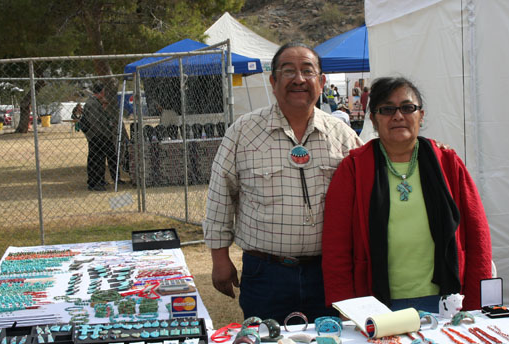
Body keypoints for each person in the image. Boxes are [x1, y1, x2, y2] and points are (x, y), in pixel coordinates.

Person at [203, 43, 363, 323]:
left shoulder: (343, 136)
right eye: (288, 71)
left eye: (307, 71)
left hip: (329, 272)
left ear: (322, 82)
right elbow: (220, 195)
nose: (299, 79)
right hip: (265, 274)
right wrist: (219, 259)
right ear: (273, 82)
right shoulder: (243, 131)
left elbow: (365, 199)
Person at [322, 77, 492, 312]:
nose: (398, 116)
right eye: (387, 109)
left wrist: (476, 303)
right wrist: (347, 309)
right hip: (376, 303)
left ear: (421, 116)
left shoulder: (448, 163)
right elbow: (336, 248)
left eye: (407, 107)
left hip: (446, 300)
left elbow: (478, 237)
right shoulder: (353, 168)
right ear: (373, 118)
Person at [82, 83, 125, 191]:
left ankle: (100, 180)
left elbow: (101, 120)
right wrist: (103, 134)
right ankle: (94, 183)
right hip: (98, 136)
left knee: (102, 159)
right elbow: (95, 123)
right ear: (101, 92)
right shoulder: (92, 104)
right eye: (104, 91)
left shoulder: (96, 103)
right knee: (96, 160)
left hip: (102, 135)